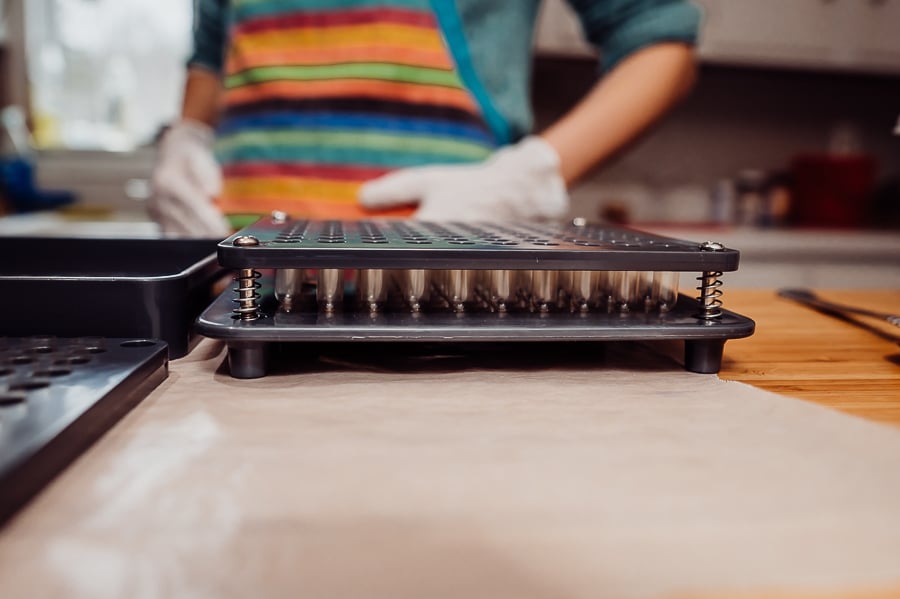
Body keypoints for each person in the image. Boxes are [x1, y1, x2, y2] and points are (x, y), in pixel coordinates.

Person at [149, 0, 701, 237]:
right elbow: (211, 52)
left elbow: (660, 46)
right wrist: (188, 138)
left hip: (441, 286)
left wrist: (529, 177)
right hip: (235, 295)